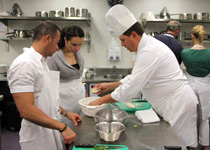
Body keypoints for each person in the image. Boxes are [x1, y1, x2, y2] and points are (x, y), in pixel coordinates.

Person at [89, 4, 198, 150]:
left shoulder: (150, 51)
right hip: (170, 104)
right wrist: (109, 86)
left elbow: (130, 88)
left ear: (134, 35)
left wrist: (97, 102)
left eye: (123, 40)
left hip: (178, 104)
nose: (122, 45)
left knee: (181, 144)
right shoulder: (144, 49)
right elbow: (134, 78)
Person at [7, 21, 82, 150]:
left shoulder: (42, 62)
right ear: (47, 39)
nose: (58, 47)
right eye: (57, 42)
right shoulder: (24, 64)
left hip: (50, 131)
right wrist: (62, 127)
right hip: (37, 138)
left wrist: (66, 113)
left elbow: (44, 100)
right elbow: (26, 110)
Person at [47, 25, 86, 130]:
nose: (77, 48)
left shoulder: (77, 54)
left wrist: (85, 94)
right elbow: (49, 88)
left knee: (79, 130)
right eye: (74, 44)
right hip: (63, 103)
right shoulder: (54, 57)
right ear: (65, 40)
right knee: (66, 131)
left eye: (80, 45)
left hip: (78, 100)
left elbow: (78, 78)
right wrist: (62, 110)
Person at [181, 25, 210, 150]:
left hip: (190, 87)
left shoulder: (185, 53)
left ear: (192, 35)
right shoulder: (209, 53)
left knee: (191, 118)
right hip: (206, 88)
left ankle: (192, 146)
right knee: (204, 119)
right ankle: (206, 146)